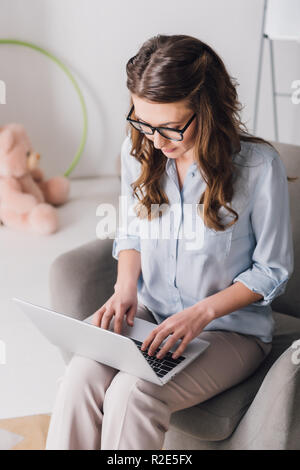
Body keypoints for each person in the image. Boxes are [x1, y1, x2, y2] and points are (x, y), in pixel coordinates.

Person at [45, 34, 295, 450]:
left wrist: (199, 315)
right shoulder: (138, 149)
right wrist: (125, 289)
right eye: (142, 122)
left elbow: (272, 271)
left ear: (209, 110)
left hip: (229, 332)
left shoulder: (258, 168)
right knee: (81, 374)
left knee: (134, 391)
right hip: (151, 314)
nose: (155, 141)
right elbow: (132, 230)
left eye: (170, 127)